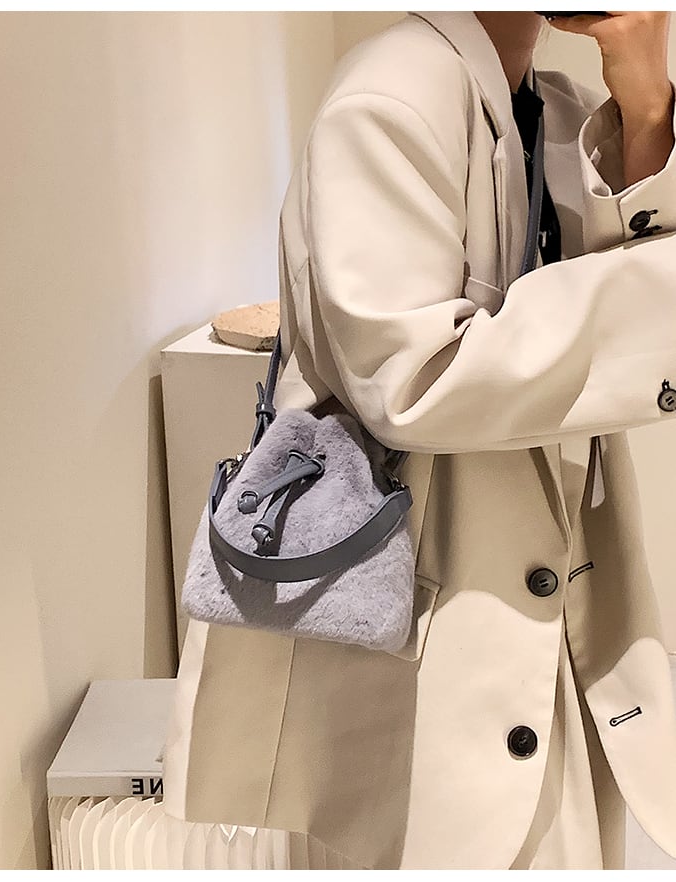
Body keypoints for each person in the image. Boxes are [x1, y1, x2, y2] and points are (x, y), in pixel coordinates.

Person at [162, 11, 676, 869]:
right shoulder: (391, 95)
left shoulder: (551, 104)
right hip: (427, 630)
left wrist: (648, 107)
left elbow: (618, 289)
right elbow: (411, 378)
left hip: (547, 610)